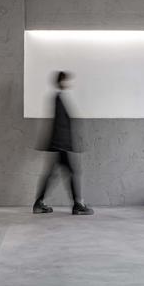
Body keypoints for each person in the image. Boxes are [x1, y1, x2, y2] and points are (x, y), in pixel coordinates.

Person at [33, 71, 94, 216]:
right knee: (72, 172)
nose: (68, 83)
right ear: (62, 82)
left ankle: (39, 203)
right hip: (61, 145)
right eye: (66, 80)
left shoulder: (59, 98)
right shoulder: (59, 99)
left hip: (60, 145)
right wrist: (65, 145)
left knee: (53, 175)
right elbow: (60, 125)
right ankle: (77, 205)